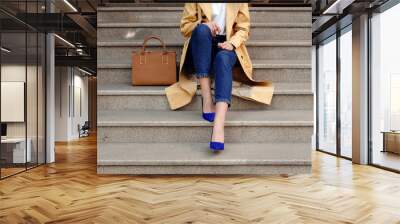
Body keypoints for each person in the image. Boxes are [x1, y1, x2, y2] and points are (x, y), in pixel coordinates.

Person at [165, 3, 274, 151]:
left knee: (223, 58)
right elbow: (185, 27)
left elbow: (243, 29)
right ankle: (207, 99)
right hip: (202, 45)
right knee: (203, 30)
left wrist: (232, 43)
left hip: (227, 44)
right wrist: (204, 24)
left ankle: (218, 125)